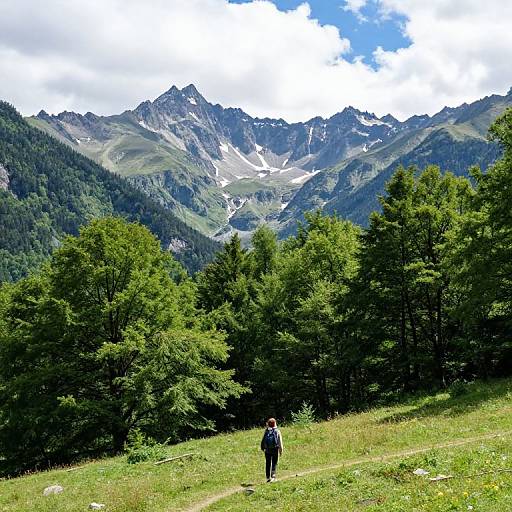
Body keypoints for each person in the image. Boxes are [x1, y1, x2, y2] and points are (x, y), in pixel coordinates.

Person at [260, 417, 283, 482]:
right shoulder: (277, 431)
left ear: (268, 424)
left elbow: (263, 439)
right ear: (275, 423)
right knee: (274, 463)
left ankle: (268, 477)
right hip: (275, 449)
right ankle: (273, 476)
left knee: (268, 463)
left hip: (267, 450)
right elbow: (279, 442)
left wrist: (262, 447)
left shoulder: (267, 430)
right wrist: (281, 450)